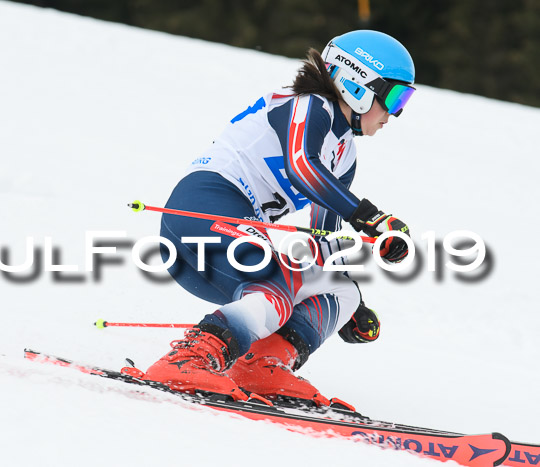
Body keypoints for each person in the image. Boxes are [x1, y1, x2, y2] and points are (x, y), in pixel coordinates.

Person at [140, 30, 415, 407]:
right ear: (358, 84)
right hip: (201, 211)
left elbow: (322, 239)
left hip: (234, 241)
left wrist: (349, 308)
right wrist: (369, 218)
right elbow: (302, 166)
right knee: (277, 277)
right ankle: (188, 360)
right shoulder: (309, 105)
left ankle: (261, 365)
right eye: (396, 97)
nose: (395, 114)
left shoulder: (345, 154)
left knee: (341, 289)